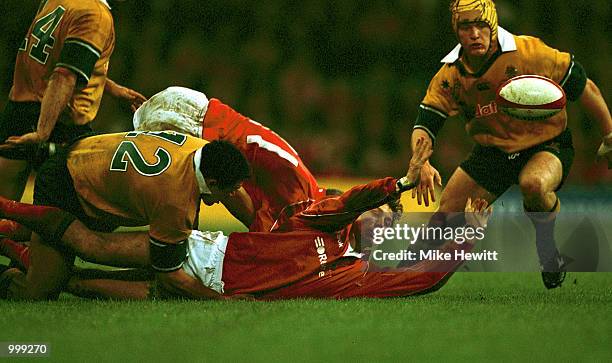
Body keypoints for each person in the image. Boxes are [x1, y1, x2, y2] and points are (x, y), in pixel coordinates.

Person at [1, 138, 491, 300]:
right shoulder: (316, 220)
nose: (382, 220)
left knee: (78, 281)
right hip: (207, 255)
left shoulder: (352, 272)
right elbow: (349, 203)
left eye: (384, 220)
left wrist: (466, 238)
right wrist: (395, 186)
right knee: (99, 248)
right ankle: (6, 215)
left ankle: (18, 246)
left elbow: (417, 280)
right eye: (381, 215)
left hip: (217, 280)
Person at [408, 0, 612, 289]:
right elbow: (425, 123)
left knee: (534, 185)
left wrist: (609, 135)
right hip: (493, 152)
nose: (475, 33)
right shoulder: (451, 74)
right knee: (448, 210)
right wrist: (422, 161)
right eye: (466, 26)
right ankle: (401, 273)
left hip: (547, 143)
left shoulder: (529, 52)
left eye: (481, 25)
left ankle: (548, 253)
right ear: (456, 30)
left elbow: (585, 86)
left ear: (493, 26)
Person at [0, 131, 250, 300]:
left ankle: (9, 232)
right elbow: (170, 275)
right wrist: (222, 300)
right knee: (40, 291)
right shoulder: (175, 201)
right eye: (227, 192)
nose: (225, 199)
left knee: (66, 251)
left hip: (86, 155)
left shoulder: (201, 147)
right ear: (213, 182)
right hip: (69, 185)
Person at [0, 0, 146, 201]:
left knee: (5, 203)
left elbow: (64, 58)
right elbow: (64, 75)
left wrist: (112, 88)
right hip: (60, 120)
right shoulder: (95, 14)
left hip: (19, 106)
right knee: (58, 217)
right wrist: (42, 133)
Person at [133, 86, 326, 231]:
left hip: (193, 113)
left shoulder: (303, 186)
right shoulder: (300, 199)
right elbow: (250, 218)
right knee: (156, 207)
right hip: (194, 126)